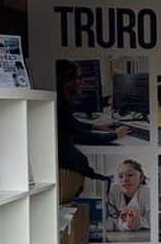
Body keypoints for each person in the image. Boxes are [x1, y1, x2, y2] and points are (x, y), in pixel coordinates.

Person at [56, 61, 130, 189]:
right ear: (67, 81)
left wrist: (96, 127)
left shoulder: (62, 104)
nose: (83, 82)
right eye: (79, 78)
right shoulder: (60, 106)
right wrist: (116, 135)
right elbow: (85, 136)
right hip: (68, 169)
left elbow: (72, 124)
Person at [107, 158, 151, 231]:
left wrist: (139, 222)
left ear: (141, 178)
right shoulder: (113, 192)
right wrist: (127, 224)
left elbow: (152, 221)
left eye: (130, 175)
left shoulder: (148, 193)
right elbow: (111, 220)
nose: (124, 179)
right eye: (120, 176)